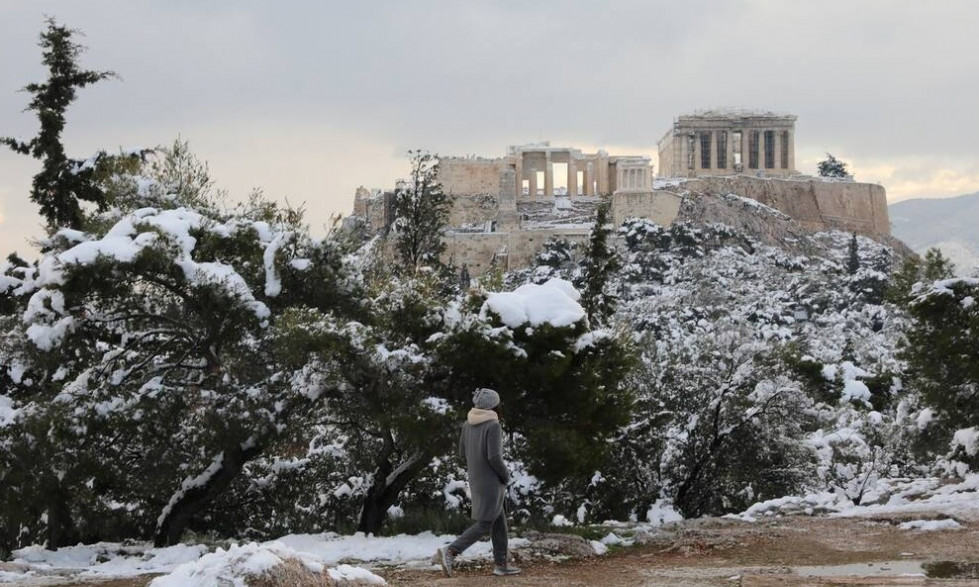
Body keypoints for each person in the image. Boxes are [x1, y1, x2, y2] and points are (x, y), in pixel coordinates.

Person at [432, 387, 521, 577]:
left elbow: (462, 453)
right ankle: (451, 551)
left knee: (499, 523)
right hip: (492, 481)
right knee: (485, 523)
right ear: (494, 406)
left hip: (476, 478)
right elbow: (495, 457)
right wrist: (505, 476)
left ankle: (501, 564)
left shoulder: (467, 424)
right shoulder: (493, 425)